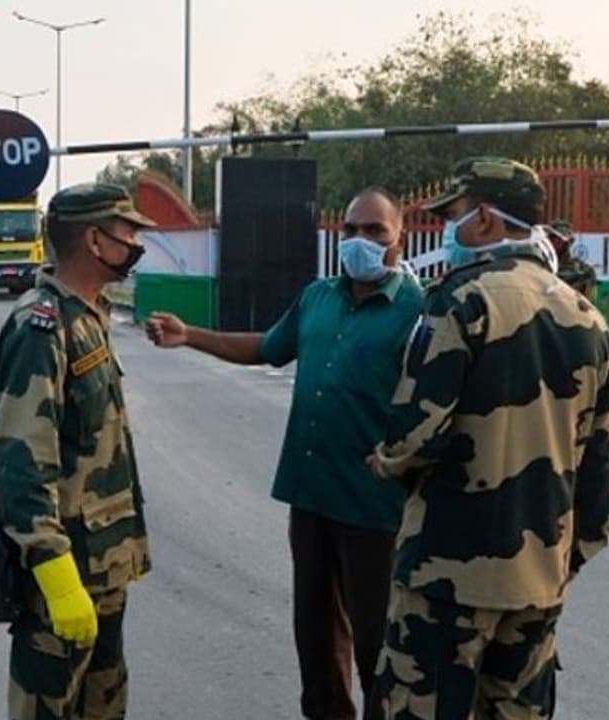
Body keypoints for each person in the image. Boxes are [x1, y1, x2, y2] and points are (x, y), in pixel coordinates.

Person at [146, 187, 424, 720]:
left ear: (399, 239)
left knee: (379, 641)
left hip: (375, 508)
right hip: (311, 495)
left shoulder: (418, 311)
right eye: (351, 230)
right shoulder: (318, 297)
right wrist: (190, 336)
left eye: (375, 231)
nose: (360, 240)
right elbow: (267, 347)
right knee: (315, 636)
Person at [367, 157, 609, 719]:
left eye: (452, 215)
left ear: (482, 218)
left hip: (446, 576)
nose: (447, 230)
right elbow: (595, 463)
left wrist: (384, 462)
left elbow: (415, 435)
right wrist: (566, 559)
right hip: (539, 575)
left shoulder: (461, 300)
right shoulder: (587, 318)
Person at [0, 182, 156, 720]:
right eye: (128, 231)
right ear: (94, 239)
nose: (136, 243)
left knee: (103, 707)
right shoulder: (41, 326)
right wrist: (56, 577)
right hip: (65, 575)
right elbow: (20, 463)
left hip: (104, 567)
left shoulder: (88, 315)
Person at [544, 218, 599, 301]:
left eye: (560, 239)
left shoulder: (584, 270)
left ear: (569, 242)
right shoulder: (540, 267)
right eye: (552, 238)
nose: (555, 242)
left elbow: (589, 303)